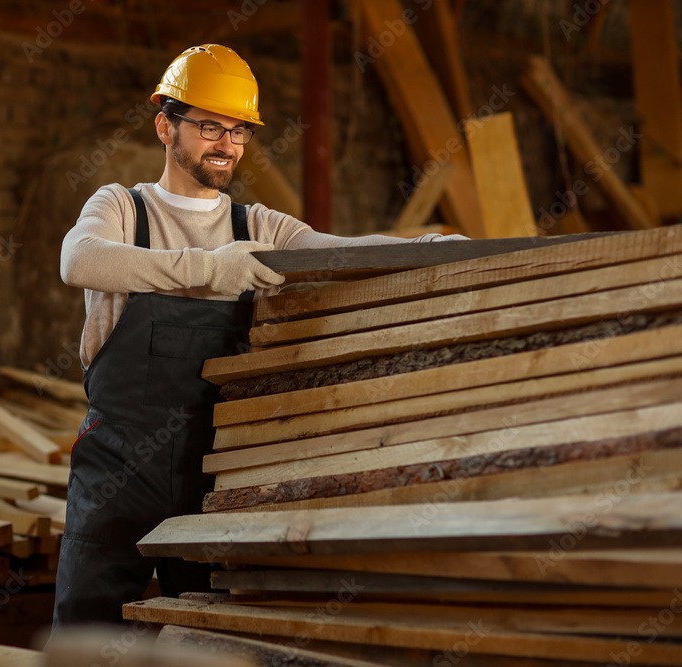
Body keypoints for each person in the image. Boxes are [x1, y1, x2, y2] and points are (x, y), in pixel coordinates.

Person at [52, 43, 465, 631]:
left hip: (220, 473)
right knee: (85, 633)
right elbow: (80, 260)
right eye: (209, 127)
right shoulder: (123, 207)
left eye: (239, 131)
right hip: (117, 466)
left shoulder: (259, 225)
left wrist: (426, 252)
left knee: (206, 639)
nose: (226, 145)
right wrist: (209, 269)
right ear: (165, 127)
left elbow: (339, 254)